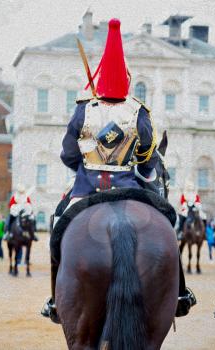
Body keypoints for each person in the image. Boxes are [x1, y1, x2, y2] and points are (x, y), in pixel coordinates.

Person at [41, 18, 196, 321]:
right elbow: (148, 159)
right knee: (167, 224)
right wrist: (139, 167)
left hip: (86, 189)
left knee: (58, 229)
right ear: (126, 79)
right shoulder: (139, 111)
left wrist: (86, 165)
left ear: (100, 79)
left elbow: (68, 154)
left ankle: (56, 302)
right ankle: (180, 294)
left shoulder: (83, 108)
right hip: (131, 190)